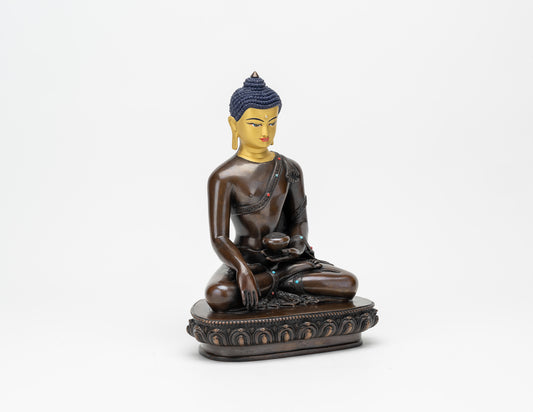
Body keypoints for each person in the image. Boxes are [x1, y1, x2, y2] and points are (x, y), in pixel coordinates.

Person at [205, 72, 357, 312]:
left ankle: (273, 282)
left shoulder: (289, 168)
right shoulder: (223, 177)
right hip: (245, 261)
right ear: (234, 125)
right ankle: (279, 283)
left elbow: (299, 221)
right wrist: (242, 270)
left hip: (286, 260)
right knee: (219, 295)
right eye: (255, 123)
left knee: (348, 283)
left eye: (272, 122)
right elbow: (219, 238)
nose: (265, 131)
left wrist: (296, 245)